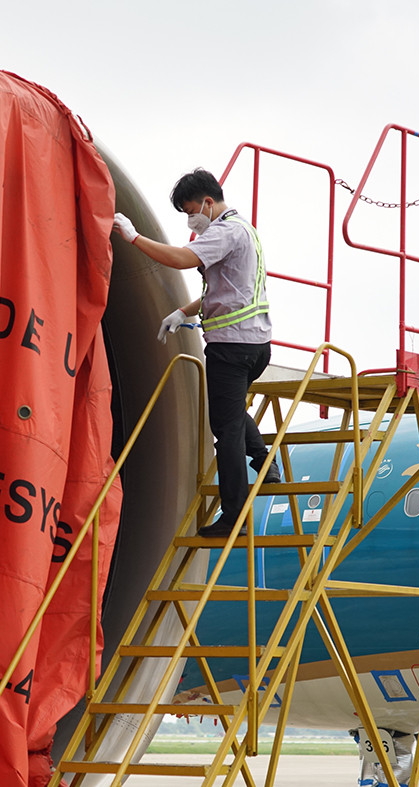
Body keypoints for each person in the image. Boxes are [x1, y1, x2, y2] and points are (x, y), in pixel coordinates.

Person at [113, 168, 281, 537]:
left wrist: (134, 237)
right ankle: (265, 462)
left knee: (225, 429)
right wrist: (183, 312)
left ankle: (234, 514)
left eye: (191, 211)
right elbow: (225, 293)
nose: (191, 220)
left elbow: (180, 259)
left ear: (208, 202)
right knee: (231, 411)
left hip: (231, 348)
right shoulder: (246, 231)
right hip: (256, 346)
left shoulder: (224, 231)